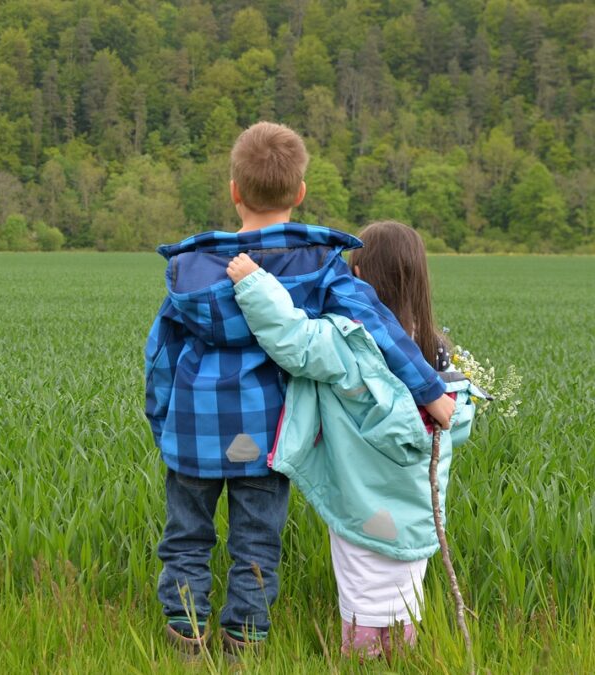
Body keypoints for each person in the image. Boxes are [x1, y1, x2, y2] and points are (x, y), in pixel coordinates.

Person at [144, 123, 456, 659]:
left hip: (193, 432)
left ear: (234, 191)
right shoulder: (318, 266)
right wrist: (430, 391)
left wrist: (163, 421)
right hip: (269, 434)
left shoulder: (191, 271)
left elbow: (161, 357)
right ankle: (244, 645)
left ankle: (185, 638)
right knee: (256, 544)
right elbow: (378, 328)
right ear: (301, 193)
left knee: (186, 537)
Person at [225, 220, 477, 660]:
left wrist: (255, 284)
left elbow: (294, 339)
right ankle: (401, 661)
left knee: (363, 592)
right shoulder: (435, 352)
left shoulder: (351, 342)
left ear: (356, 278)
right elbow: (451, 422)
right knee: (403, 598)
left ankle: (359, 661)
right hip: (417, 509)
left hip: (362, 501)